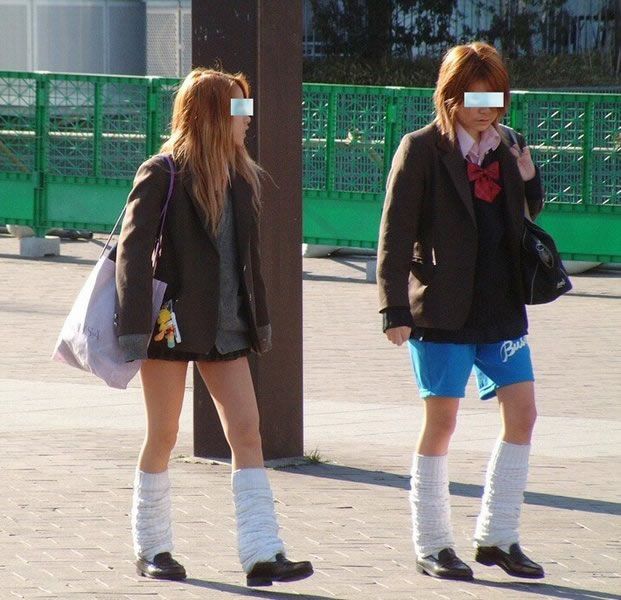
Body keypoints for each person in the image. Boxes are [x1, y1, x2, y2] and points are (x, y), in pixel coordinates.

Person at [114, 68, 313, 587]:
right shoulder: (162, 173)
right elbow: (132, 255)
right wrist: (133, 330)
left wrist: (258, 320)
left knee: (247, 431)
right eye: (238, 110)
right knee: (164, 434)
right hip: (170, 325)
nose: (248, 120)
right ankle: (152, 547)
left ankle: (262, 551)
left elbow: (249, 260)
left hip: (227, 328)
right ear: (209, 116)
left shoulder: (242, 177)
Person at [377, 42, 546, 581]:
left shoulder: (509, 145)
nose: (486, 109)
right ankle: (432, 544)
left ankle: (498, 536)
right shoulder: (420, 148)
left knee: (524, 414)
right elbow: (394, 232)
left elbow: (527, 213)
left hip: (501, 307)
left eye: (495, 98)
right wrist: (393, 308)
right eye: (476, 98)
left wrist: (528, 177)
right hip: (441, 310)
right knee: (443, 422)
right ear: (450, 96)